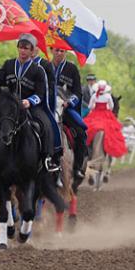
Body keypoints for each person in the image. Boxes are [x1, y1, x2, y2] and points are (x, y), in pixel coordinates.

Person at [0, 33, 59, 183]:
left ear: (32, 50)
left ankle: (47, 159)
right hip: (10, 107)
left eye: (26, 48)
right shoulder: (8, 65)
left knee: (46, 124)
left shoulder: (38, 70)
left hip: (31, 107)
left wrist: (29, 101)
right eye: (21, 47)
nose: (23, 51)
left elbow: (41, 93)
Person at [52, 47, 88, 185]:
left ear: (65, 52)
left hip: (65, 109)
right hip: (48, 107)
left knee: (80, 132)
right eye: (56, 50)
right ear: (51, 51)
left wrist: (69, 102)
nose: (59, 53)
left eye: (62, 51)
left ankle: (77, 167)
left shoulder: (71, 69)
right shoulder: (44, 66)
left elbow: (78, 92)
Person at [84, 80, 128, 158]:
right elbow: (111, 107)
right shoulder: (108, 96)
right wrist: (105, 108)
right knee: (114, 129)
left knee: (86, 127)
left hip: (95, 114)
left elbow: (90, 107)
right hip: (106, 114)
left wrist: (95, 107)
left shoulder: (94, 96)